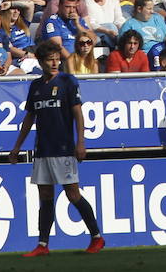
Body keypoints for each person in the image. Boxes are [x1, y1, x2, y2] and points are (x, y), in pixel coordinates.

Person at [8, 39, 104, 257]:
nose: (54, 63)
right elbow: (29, 117)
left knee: (72, 193)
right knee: (45, 195)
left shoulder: (67, 81)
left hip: (63, 148)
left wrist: (81, 142)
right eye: (50, 60)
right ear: (41, 62)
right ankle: (42, 244)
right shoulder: (36, 85)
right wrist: (16, 147)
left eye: (57, 59)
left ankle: (97, 237)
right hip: (42, 149)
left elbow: (78, 113)